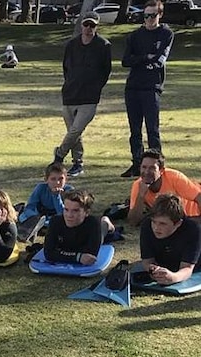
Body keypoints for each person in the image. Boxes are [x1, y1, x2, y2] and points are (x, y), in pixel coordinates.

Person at [52, 11, 111, 179]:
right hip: (70, 95)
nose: (89, 28)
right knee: (73, 132)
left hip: (89, 98)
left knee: (76, 130)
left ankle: (59, 156)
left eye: (92, 25)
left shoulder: (103, 45)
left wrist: (95, 87)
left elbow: (106, 71)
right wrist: (70, 83)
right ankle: (78, 163)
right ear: (81, 25)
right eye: (86, 24)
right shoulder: (72, 45)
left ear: (97, 27)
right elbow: (66, 67)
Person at [120, 0, 173, 178]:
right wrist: (145, 57)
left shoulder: (166, 33)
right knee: (135, 129)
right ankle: (137, 164)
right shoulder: (135, 36)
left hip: (152, 87)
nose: (149, 19)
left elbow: (159, 60)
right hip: (133, 87)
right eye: (146, 15)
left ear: (160, 15)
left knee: (152, 128)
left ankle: (157, 166)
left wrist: (145, 59)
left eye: (153, 15)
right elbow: (126, 61)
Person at [138, 194, 201, 285]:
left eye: (162, 224)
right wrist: (153, 270)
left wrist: (173, 277)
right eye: (154, 222)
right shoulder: (147, 226)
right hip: (165, 264)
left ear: (178, 224)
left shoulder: (193, 230)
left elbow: (187, 268)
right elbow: (147, 260)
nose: (156, 228)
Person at [127, 149, 201, 226]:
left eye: (152, 168)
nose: (146, 172)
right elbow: (133, 222)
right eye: (144, 167)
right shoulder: (138, 185)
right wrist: (141, 196)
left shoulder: (175, 177)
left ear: (161, 171)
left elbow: (199, 196)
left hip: (193, 214)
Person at [42, 190, 110, 265]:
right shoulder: (55, 221)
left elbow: (90, 256)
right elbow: (48, 253)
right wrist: (78, 257)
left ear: (86, 212)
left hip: (96, 229)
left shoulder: (93, 224)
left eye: (75, 211)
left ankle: (106, 222)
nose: (69, 215)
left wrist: (61, 254)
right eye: (66, 209)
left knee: (103, 230)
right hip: (75, 244)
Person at [17, 162, 72, 240]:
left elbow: (64, 213)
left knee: (61, 222)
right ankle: (34, 227)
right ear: (46, 180)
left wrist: (56, 196)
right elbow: (30, 206)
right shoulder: (41, 188)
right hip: (39, 215)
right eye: (53, 179)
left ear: (66, 179)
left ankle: (39, 228)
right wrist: (35, 217)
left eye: (61, 179)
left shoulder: (69, 191)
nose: (57, 183)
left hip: (56, 217)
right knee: (23, 216)